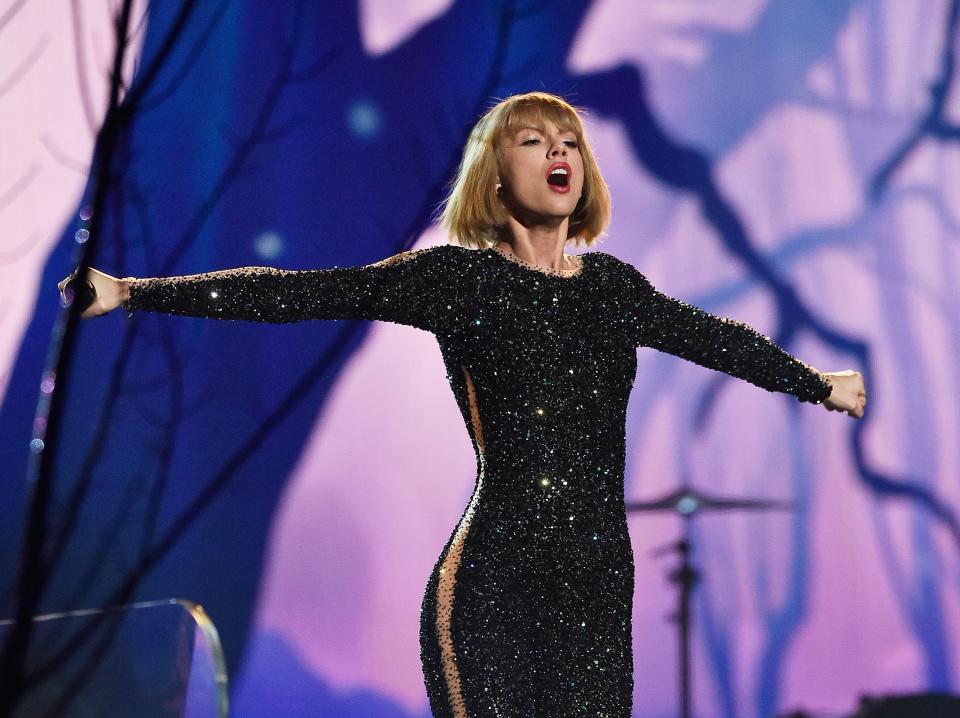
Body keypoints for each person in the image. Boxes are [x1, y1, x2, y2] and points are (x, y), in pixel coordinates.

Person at [60, 91, 865, 717]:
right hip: (493, 586)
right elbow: (300, 292)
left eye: (570, 142)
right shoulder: (457, 278)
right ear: (495, 171)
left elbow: (712, 338)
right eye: (533, 140)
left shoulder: (614, 289)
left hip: (594, 586)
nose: (559, 152)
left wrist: (816, 383)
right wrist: (131, 290)